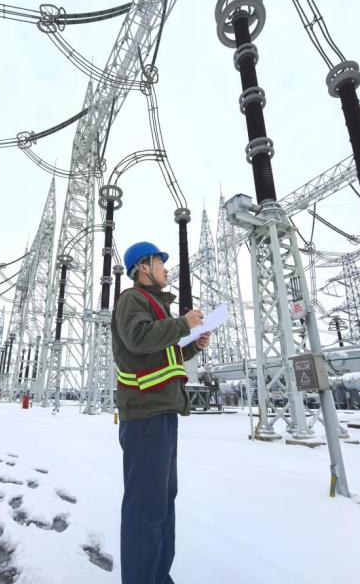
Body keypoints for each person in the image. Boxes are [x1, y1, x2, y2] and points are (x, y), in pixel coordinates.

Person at [112, 241, 211, 584]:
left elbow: (162, 356)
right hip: (144, 417)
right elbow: (138, 339)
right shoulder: (132, 300)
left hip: (163, 413)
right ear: (143, 267)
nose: (166, 269)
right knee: (146, 509)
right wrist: (183, 324)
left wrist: (191, 346)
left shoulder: (157, 307)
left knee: (163, 504)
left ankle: (157, 577)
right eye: (160, 262)